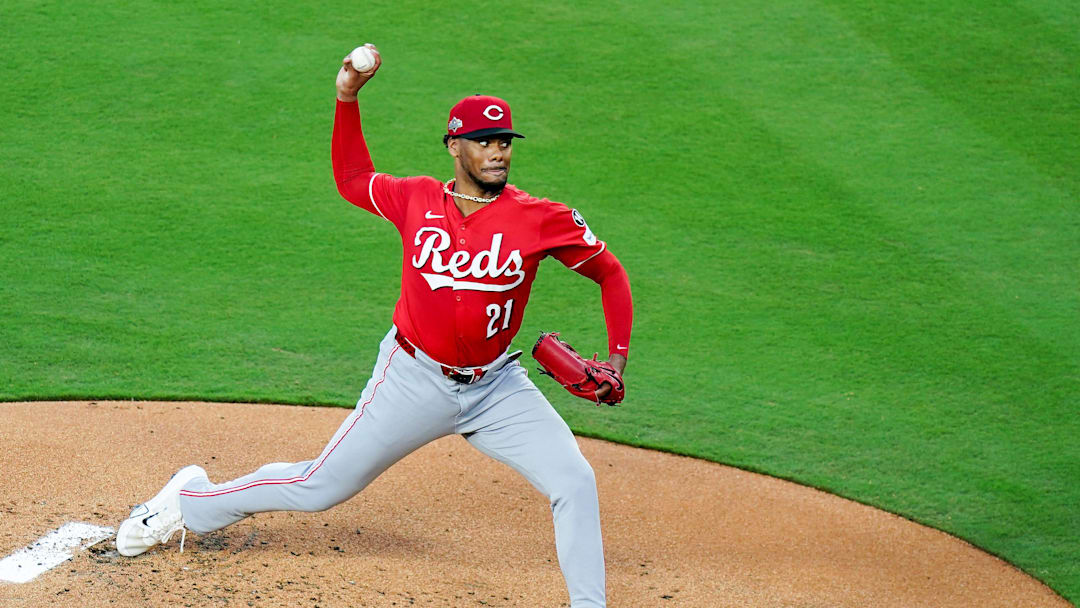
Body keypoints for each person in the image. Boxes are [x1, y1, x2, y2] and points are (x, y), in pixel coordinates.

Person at [115, 44, 633, 608]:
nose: (498, 151)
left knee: (575, 482)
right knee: (319, 487)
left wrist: (618, 356)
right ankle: (189, 500)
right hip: (413, 378)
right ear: (454, 145)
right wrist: (346, 98)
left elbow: (610, 274)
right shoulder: (415, 199)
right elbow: (352, 178)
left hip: (496, 387)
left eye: (504, 141)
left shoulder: (540, 217)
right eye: (485, 141)